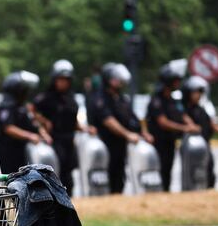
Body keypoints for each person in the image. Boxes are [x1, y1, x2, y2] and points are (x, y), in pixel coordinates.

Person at [87, 63, 150, 194]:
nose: (119, 82)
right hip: (104, 146)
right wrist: (127, 135)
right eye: (116, 79)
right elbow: (109, 121)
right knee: (105, 179)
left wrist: (144, 133)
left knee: (119, 178)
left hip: (119, 146)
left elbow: (133, 118)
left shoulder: (121, 98)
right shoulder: (100, 98)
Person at [33, 60, 88, 195]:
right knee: (55, 172)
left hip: (69, 139)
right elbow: (32, 112)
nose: (63, 83)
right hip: (54, 140)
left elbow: (72, 120)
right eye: (60, 79)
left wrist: (84, 128)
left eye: (66, 80)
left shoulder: (71, 98)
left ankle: (70, 199)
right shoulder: (45, 97)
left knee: (68, 175)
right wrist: (44, 122)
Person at [146, 62, 199, 192]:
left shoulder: (173, 100)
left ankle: (166, 192)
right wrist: (184, 128)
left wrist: (191, 125)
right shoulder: (157, 100)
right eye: (175, 80)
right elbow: (163, 122)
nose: (178, 83)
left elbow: (182, 115)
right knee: (160, 170)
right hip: (158, 143)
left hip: (170, 142)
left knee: (168, 170)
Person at [181, 76, 218, 188]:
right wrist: (192, 126)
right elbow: (186, 121)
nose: (198, 95)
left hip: (205, 145)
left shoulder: (201, 109)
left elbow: (213, 125)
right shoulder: (184, 109)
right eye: (195, 92)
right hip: (192, 147)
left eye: (199, 92)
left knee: (209, 171)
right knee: (194, 174)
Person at [0, 70, 48, 174]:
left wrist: (43, 133)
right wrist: (30, 136)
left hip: (22, 151)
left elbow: (32, 124)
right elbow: (8, 128)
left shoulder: (22, 107)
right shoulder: (6, 106)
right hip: (9, 152)